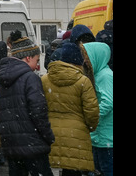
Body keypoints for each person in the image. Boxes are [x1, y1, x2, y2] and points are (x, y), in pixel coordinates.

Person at [0, 37, 56, 176]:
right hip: (33, 145)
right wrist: (48, 136)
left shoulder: (2, 79)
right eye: (36, 60)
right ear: (28, 58)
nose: (37, 65)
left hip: (11, 144)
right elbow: (38, 111)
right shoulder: (30, 78)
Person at [40, 42, 99, 176]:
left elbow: (39, 107)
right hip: (76, 135)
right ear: (77, 61)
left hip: (51, 133)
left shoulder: (45, 80)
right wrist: (89, 127)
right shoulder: (83, 81)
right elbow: (92, 111)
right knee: (73, 170)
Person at [83, 41, 113, 176]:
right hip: (100, 136)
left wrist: (91, 115)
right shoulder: (98, 75)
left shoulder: (105, 76)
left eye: (87, 57)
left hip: (106, 137)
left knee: (105, 170)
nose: (85, 61)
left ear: (97, 56)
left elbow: (108, 102)